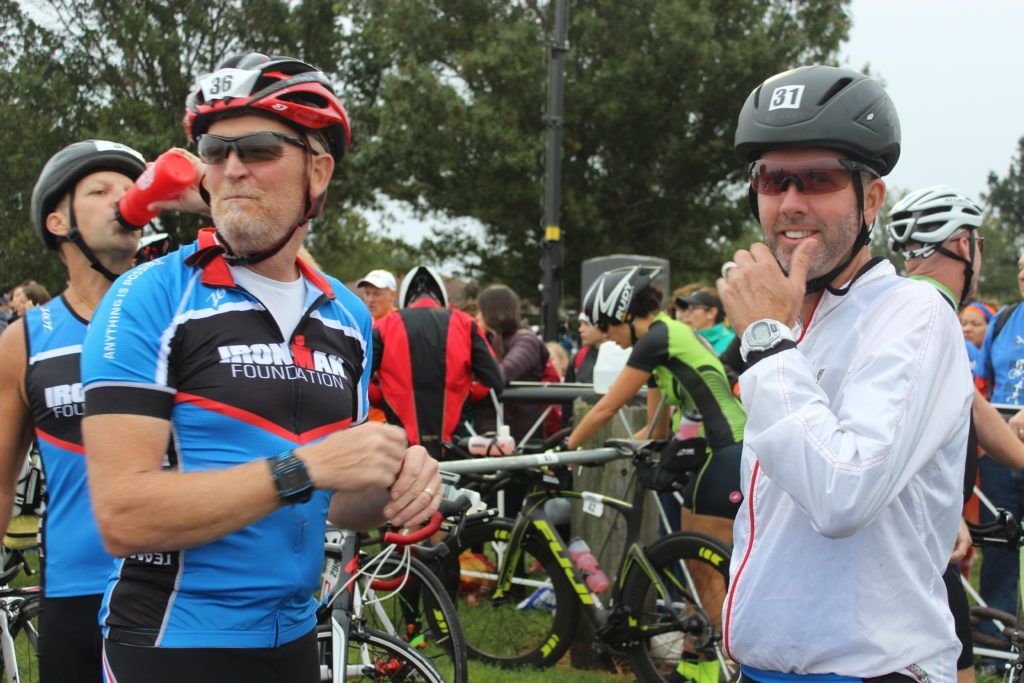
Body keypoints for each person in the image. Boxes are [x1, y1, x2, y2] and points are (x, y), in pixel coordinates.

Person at [79, 53, 441, 683]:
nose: (233, 168)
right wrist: (305, 465)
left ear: (318, 171)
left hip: (295, 639)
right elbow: (122, 515)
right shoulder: (150, 296)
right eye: (216, 150)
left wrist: (396, 485)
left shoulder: (348, 314)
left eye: (261, 148)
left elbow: (336, 501)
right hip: (170, 642)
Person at [717, 65, 971, 681]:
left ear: (871, 198)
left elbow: (843, 494)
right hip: (764, 666)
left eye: (820, 179)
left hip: (869, 670)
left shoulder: (912, 313)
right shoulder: (789, 320)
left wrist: (766, 344)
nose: (792, 202)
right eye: (774, 179)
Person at [0, 139, 148, 683]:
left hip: (180, 590)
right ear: (59, 221)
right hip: (75, 592)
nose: (123, 199)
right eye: (100, 190)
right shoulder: (26, 339)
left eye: (131, 188)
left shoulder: (181, 314)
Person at [888, 184, 1024, 683]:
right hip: (918, 541)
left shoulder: (913, 306)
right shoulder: (927, 313)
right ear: (965, 246)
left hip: (926, 533)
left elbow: (972, 404)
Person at [567, 266, 746, 546]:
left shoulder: (657, 338)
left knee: (704, 573)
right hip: (717, 451)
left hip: (724, 448)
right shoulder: (661, 341)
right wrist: (613, 449)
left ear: (624, 315)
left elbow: (606, 408)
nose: (604, 336)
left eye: (604, 325)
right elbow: (656, 430)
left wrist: (562, 451)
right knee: (695, 564)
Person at [372, 265, 503, 459]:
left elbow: (356, 381)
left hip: (401, 447)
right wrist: (464, 391)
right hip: (453, 446)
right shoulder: (466, 323)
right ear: (440, 298)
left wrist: (383, 396)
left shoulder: (384, 326)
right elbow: (495, 381)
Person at [973, 251, 1024, 670]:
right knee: (1000, 544)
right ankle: (997, 645)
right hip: (1001, 439)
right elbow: (985, 381)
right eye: (1022, 268)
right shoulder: (1004, 320)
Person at [675, 288, 735, 355]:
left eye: (692, 308)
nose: (686, 314)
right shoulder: (688, 339)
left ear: (711, 312)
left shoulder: (731, 343)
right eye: (687, 308)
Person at [565, 312, 602, 384]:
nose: (580, 329)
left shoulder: (619, 355)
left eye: (587, 324)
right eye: (581, 324)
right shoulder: (581, 355)